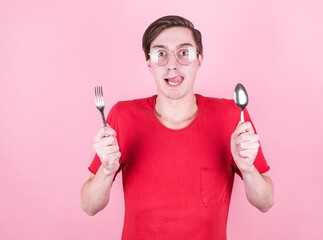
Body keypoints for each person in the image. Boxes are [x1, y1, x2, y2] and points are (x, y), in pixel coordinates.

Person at [81, 15, 274, 239]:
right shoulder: (122, 116)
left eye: (184, 53)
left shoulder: (232, 116)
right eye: (160, 54)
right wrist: (106, 170)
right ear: (149, 64)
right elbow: (89, 206)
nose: (172, 65)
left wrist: (249, 169)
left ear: (199, 60)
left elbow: (266, 202)